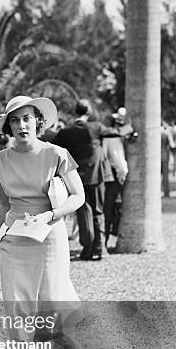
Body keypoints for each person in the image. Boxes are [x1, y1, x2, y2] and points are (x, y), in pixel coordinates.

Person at [0, 95, 86, 349]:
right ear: (8, 126)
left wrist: (51, 216)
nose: (21, 125)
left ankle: (71, 343)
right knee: (19, 317)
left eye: (27, 119)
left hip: (50, 236)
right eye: (15, 120)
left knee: (53, 309)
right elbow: (3, 203)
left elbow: (79, 196)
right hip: (15, 241)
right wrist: (0, 233)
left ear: (38, 121)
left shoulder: (57, 154)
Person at [54, 99, 132, 260]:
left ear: (76, 112)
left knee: (83, 212)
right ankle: (100, 248)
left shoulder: (66, 132)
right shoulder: (95, 127)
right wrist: (130, 127)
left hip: (75, 178)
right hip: (96, 176)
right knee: (98, 211)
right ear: (88, 112)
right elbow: (116, 132)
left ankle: (87, 249)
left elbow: (53, 149)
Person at [103, 108, 129, 250]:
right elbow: (120, 163)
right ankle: (105, 240)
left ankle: (104, 239)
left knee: (107, 208)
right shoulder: (114, 139)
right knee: (110, 208)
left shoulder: (106, 137)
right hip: (113, 176)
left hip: (106, 175)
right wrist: (122, 176)